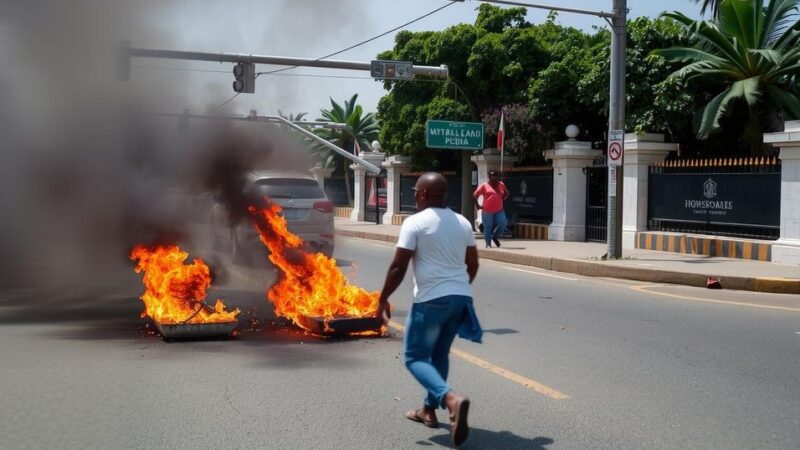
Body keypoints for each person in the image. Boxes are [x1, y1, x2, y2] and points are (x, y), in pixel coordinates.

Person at [376, 172, 481, 448]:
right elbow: (473, 264)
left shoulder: (415, 223)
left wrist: (382, 298)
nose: (413, 195)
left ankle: (450, 400)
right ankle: (428, 410)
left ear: (423, 194)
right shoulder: (462, 222)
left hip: (431, 300)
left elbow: (399, 266)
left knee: (414, 357)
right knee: (439, 355)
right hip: (460, 298)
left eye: (415, 191)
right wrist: (456, 289)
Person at [473, 169, 509, 248]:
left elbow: (506, 193)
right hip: (487, 211)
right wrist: (478, 206)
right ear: (489, 177)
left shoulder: (501, 184)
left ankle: (495, 236)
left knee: (503, 223)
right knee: (488, 227)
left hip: (499, 210)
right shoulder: (484, 186)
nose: (494, 177)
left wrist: (501, 199)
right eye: (492, 175)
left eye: (496, 175)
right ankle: (488, 244)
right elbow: (474, 195)